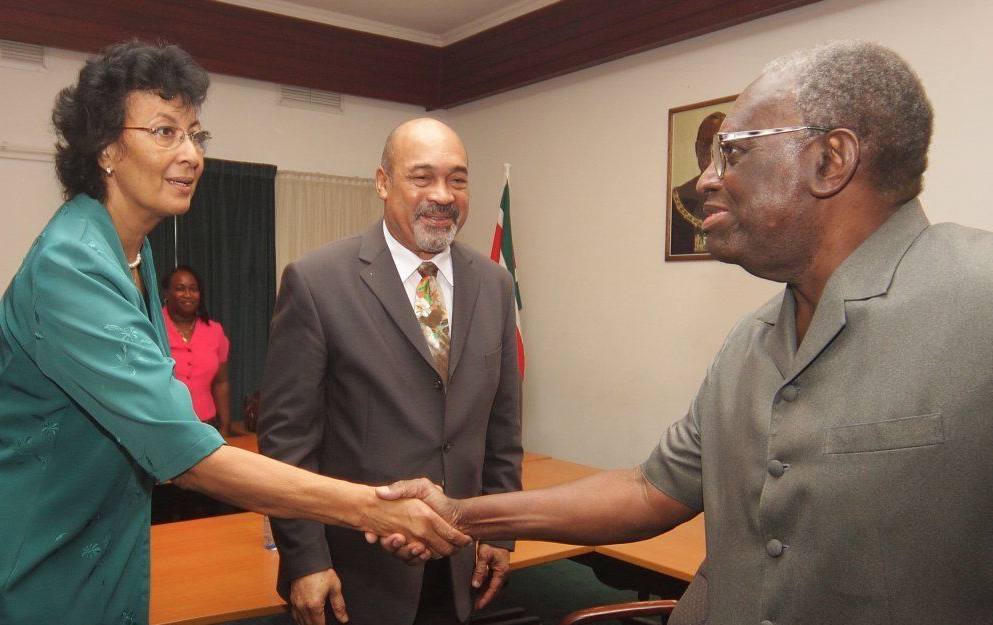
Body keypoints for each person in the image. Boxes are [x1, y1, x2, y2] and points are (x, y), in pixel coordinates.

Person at [375, 41, 992, 625]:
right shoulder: (751, 342)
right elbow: (649, 492)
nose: (705, 180)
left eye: (734, 152)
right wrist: (459, 512)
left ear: (830, 160)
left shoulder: (979, 303)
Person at [0, 41, 468, 625]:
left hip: (105, 546)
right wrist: (374, 508)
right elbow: (185, 453)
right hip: (42, 559)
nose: (192, 154)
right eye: (165, 132)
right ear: (106, 149)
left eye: (197, 135)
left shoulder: (127, 257)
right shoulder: (71, 266)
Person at [258, 117, 522, 625]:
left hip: (459, 563)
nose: (443, 195)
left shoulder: (493, 285)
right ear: (383, 183)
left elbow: (503, 430)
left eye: (458, 179)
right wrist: (305, 559)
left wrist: (499, 530)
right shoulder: (316, 282)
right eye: (422, 177)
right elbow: (287, 443)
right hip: (355, 572)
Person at [162, 265, 232, 436]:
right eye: (180, 289)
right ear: (166, 294)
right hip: (166, 427)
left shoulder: (214, 331)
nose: (188, 295)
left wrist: (225, 426)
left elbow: (220, 383)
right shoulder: (154, 328)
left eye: (193, 289)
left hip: (208, 427)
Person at [669, 111, 725, 255]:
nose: (710, 153)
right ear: (696, 149)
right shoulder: (679, 198)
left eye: (717, 146)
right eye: (704, 145)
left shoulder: (741, 195)